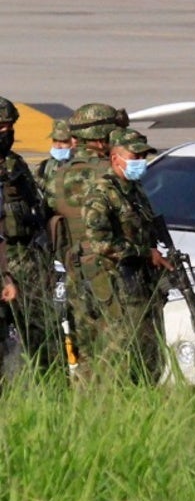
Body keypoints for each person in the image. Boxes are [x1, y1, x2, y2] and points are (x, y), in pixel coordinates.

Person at [80, 128, 172, 381]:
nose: (140, 163)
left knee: (150, 341)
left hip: (141, 280)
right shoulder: (101, 194)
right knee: (122, 343)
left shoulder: (134, 190)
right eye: (134, 157)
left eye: (143, 157)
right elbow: (100, 242)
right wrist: (145, 253)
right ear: (115, 159)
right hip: (117, 281)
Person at [47, 102, 129, 372]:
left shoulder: (58, 174)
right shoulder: (110, 174)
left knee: (85, 347)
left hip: (75, 267)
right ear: (102, 135)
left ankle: (86, 399)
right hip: (109, 270)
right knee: (118, 344)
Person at [0, 97, 56, 372]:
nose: (6, 133)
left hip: (29, 258)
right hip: (5, 260)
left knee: (42, 332)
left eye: (9, 126)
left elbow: (35, 210)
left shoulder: (16, 164)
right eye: (1, 126)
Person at [34, 119, 73, 193]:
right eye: (55, 140)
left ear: (74, 141)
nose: (58, 146)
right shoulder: (43, 167)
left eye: (64, 142)